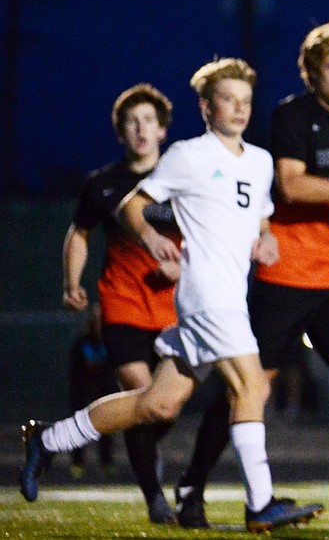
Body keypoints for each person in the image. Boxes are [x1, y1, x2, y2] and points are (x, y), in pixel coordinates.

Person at [21, 58, 325, 534]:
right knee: (252, 385)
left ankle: (48, 439)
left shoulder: (262, 161)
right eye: (229, 99)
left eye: (246, 101)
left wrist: (264, 240)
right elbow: (132, 203)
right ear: (206, 107)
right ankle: (260, 503)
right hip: (206, 296)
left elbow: (258, 216)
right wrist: (149, 237)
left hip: (228, 296)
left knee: (156, 404)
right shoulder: (188, 154)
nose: (240, 109)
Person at [172, 23, 329, 530]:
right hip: (285, 275)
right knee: (249, 388)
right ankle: (191, 485)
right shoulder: (292, 116)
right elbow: (291, 186)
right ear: (313, 71)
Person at [61, 82, 181, 523]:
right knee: (140, 392)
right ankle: (156, 499)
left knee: (160, 408)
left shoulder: (181, 177)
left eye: (149, 120)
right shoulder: (102, 184)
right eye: (132, 122)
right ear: (120, 132)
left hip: (176, 311)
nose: (140, 129)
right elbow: (80, 233)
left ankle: (144, 449)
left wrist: (185, 268)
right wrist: (73, 281)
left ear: (163, 130)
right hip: (123, 305)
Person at [66, 304, 118, 481]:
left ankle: (107, 463)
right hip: (83, 392)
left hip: (104, 393)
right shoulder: (81, 344)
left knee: (106, 429)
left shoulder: (112, 342)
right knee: (80, 428)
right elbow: (76, 372)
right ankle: (78, 463)